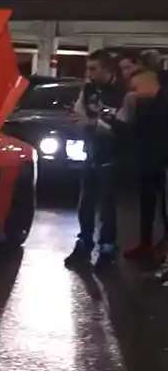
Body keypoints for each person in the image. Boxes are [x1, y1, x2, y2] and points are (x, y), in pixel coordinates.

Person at [64, 49, 128, 270]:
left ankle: (107, 249)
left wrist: (92, 123)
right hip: (91, 152)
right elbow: (79, 114)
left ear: (107, 69)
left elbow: (122, 127)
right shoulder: (88, 89)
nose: (89, 73)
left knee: (108, 205)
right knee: (86, 203)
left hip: (114, 155)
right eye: (87, 68)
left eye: (94, 68)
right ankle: (84, 244)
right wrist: (78, 121)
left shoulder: (124, 93)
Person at [119, 68, 168, 261]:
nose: (134, 92)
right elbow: (134, 129)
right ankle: (146, 245)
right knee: (147, 205)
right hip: (149, 161)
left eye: (136, 87)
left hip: (161, 161)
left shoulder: (162, 103)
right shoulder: (143, 104)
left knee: (164, 207)